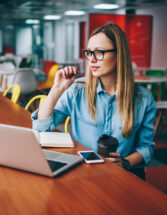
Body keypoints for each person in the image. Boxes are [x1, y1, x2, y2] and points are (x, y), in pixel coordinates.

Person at [31, 24, 156, 180]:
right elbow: (40, 128)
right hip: (82, 173)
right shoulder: (77, 90)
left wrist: (125, 163)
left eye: (99, 52)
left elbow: (146, 148)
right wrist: (56, 89)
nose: (91, 59)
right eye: (89, 52)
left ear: (119, 55)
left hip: (122, 177)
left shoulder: (143, 99)